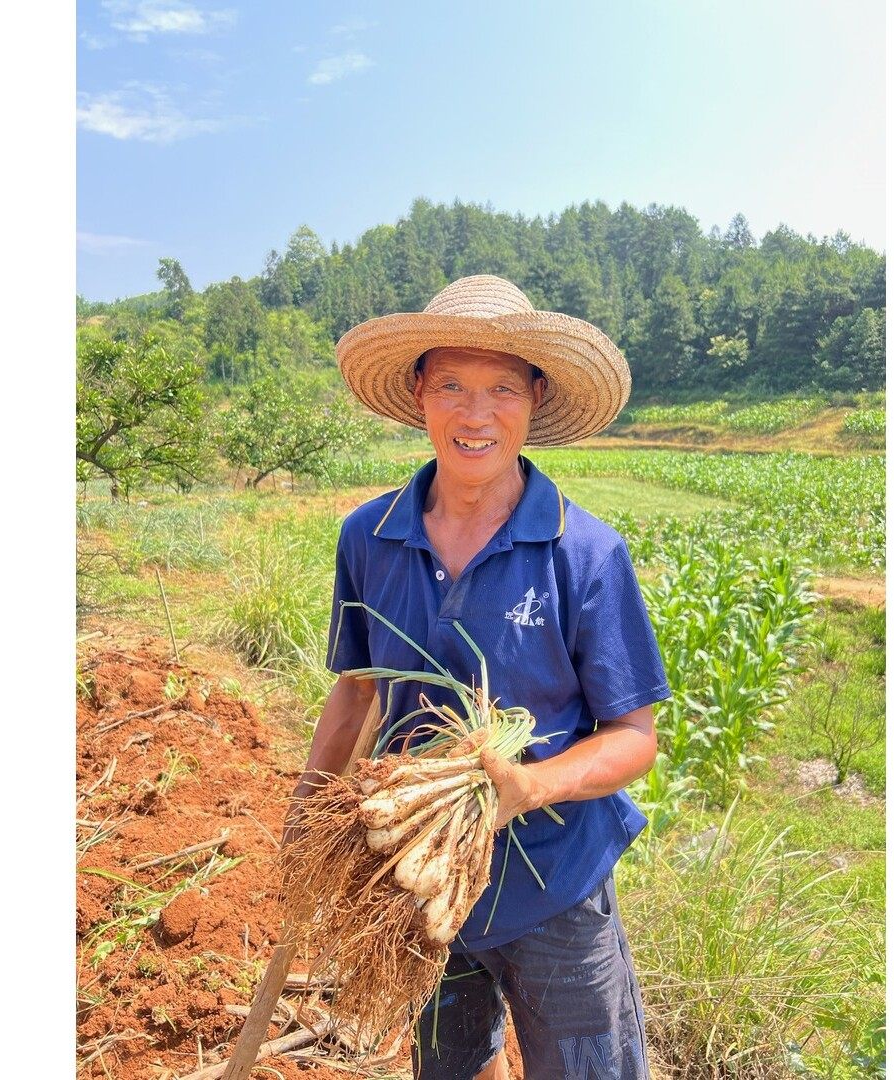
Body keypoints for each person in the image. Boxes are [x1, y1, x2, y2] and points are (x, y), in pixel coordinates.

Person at [289, 275, 671, 1080]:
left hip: (557, 881)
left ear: (535, 398)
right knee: (452, 1068)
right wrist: (306, 817)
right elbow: (356, 691)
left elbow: (634, 738)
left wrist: (527, 789)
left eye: (502, 389)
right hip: (419, 878)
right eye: (452, 387)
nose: (475, 415)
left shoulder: (584, 553)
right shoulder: (369, 535)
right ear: (419, 393)